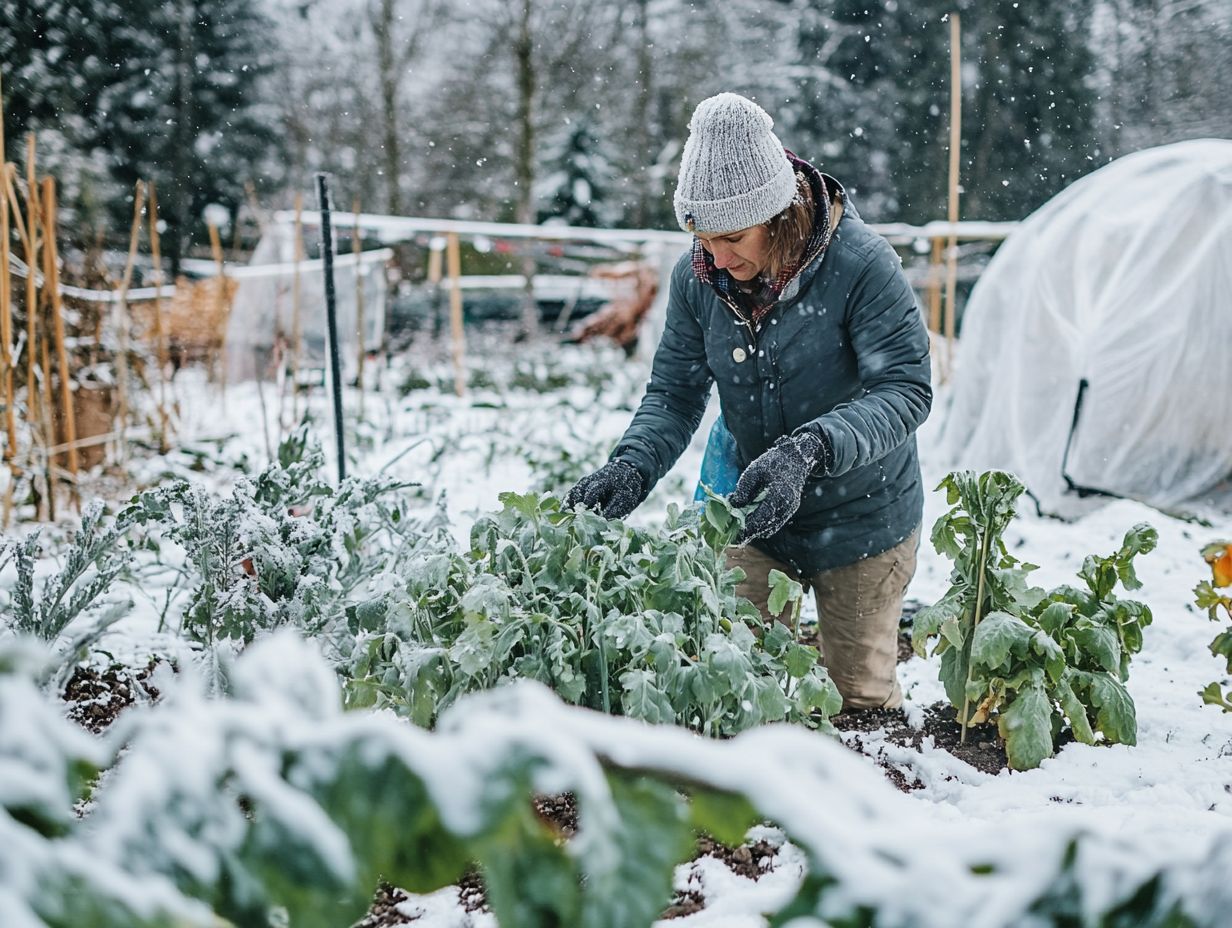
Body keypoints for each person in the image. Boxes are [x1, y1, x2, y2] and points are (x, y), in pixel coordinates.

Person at [564, 92, 932, 710]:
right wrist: (633, 464)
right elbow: (676, 391)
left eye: (732, 237)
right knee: (740, 687)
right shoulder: (698, 280)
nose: (716, 257)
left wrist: (813, 448)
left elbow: (905, 389)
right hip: (754, 511)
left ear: (779, 215)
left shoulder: (860, 266)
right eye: (702, 239)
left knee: (857, 702)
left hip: (864, 518)